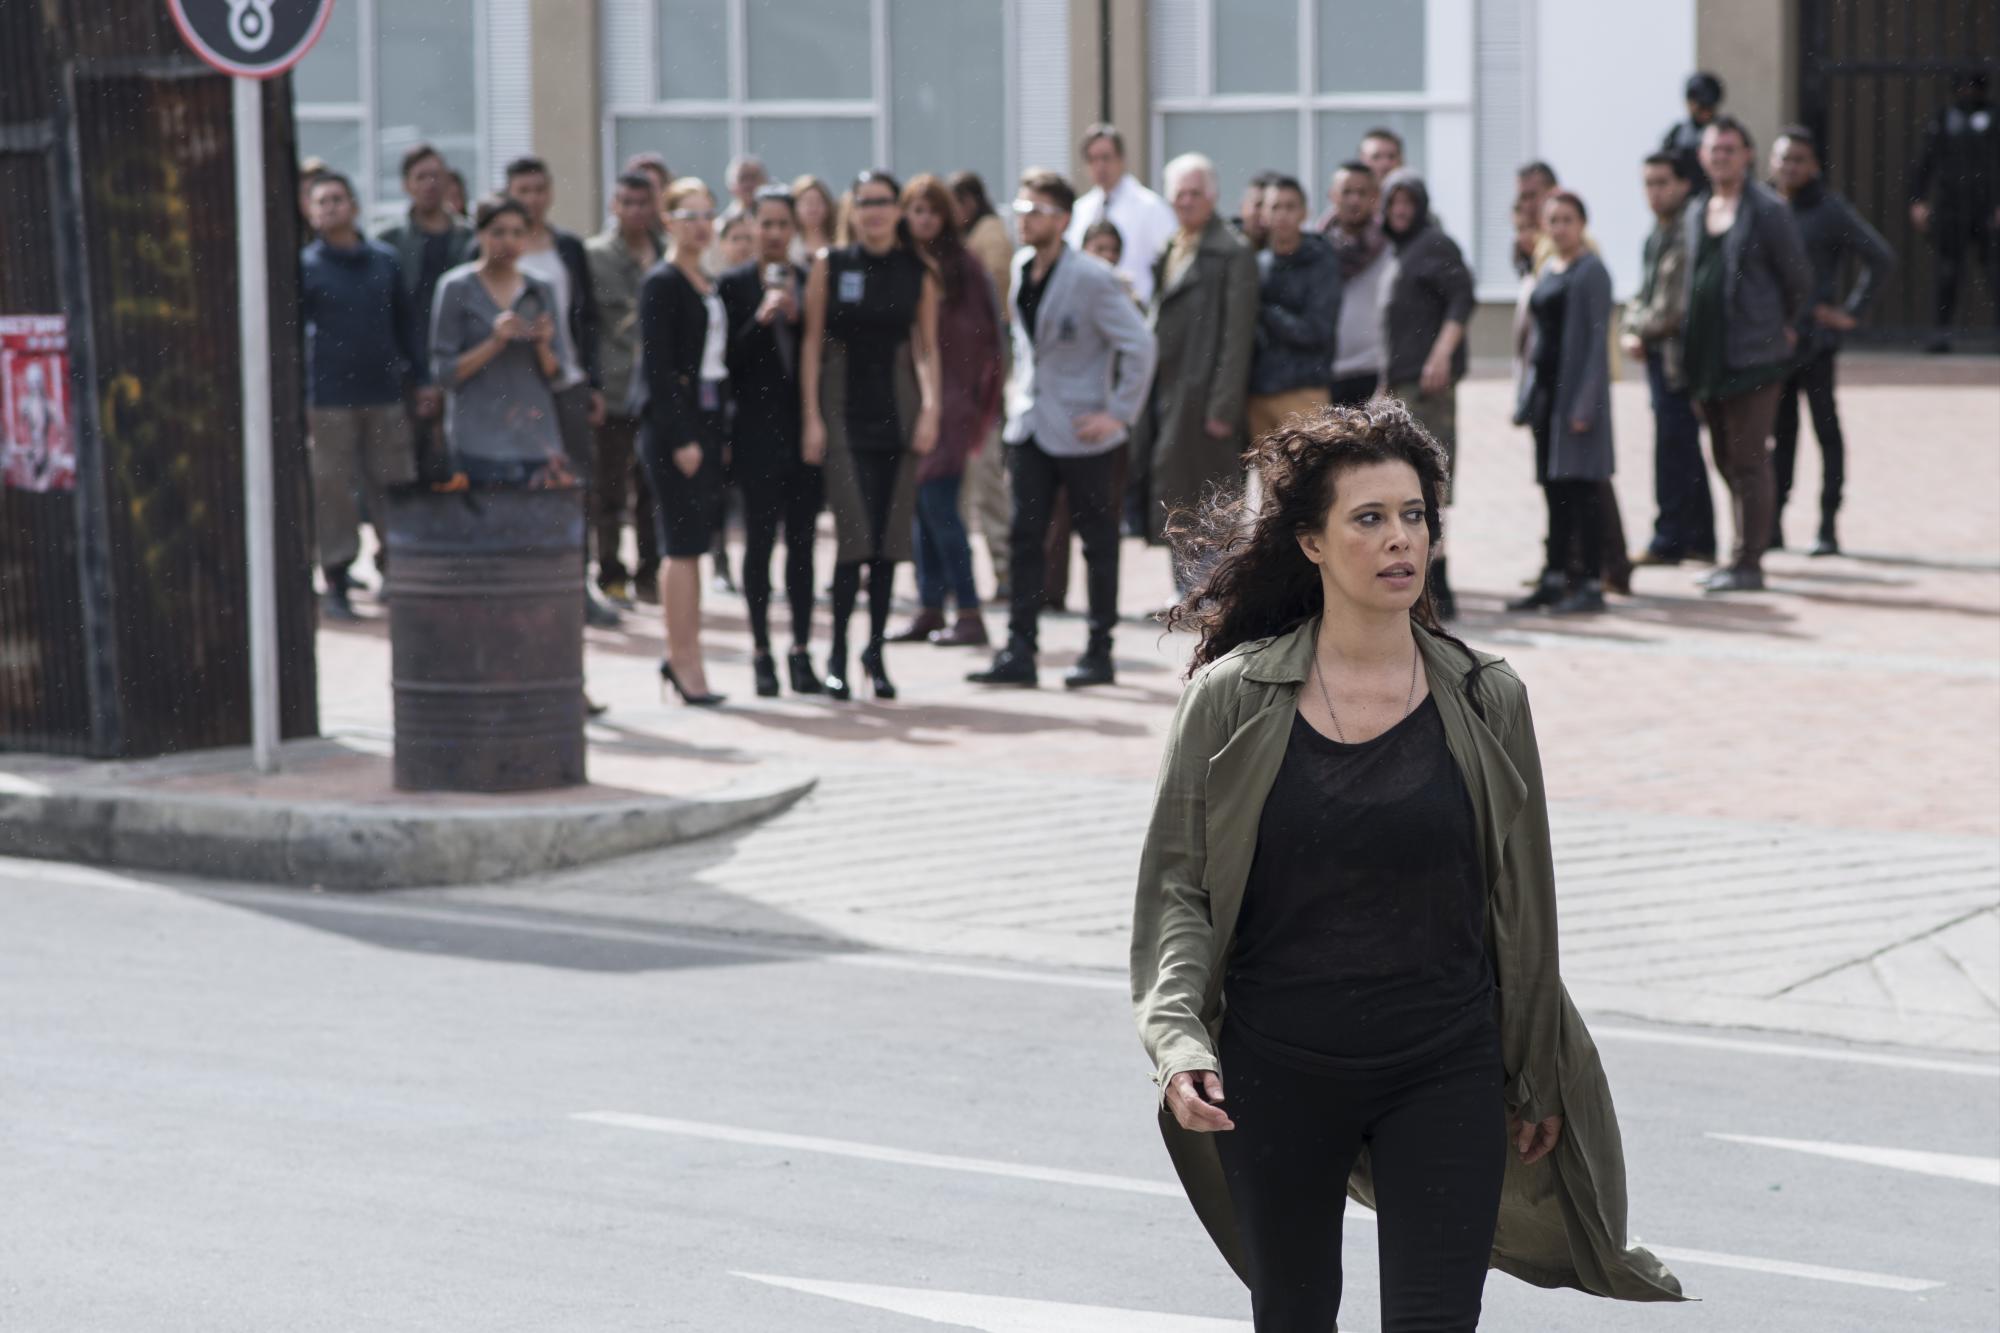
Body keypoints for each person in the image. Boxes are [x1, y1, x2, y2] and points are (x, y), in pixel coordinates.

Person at [1131, 402, 1684, 1329]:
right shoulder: (1233, 698)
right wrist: (1179, 1041)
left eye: (1415, 514)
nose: (1401, 539)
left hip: (1444, 1066)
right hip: (1277, 1070)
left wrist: (1537, 1066)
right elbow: (1178, 889)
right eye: (1369, 517)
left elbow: (1522, 903)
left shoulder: (1486, 696)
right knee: (1295, 1314)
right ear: (1310, 541)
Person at [967, 169, 1156, 689]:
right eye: (1020, 210)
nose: (1024, 221)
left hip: (1084, 430)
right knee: (1025, 537)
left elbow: (1140, 345)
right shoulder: (1021, 266)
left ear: (1063, 219)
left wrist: (1119, 413)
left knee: (1097, 540)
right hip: (1031, 425)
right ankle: (1019, 649)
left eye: (1036, 212)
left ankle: (1099, 649)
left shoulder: (1092, 277)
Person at [800, 169, 943, 702]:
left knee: (887, 544)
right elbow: (811, 343)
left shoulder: (917, 271)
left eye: (883, 201)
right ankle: (837, 653)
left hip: (898, 417)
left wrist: (931, 410)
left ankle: (874, 653)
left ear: (897, 210)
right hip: (842, 415)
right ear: (853, 209)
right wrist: (810, 417)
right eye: (865, 202)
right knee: (853, 540)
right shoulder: (831, 264)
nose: (875, 211)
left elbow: (927, 349)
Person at [1680, 116, 1812, 593]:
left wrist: (1782, 327)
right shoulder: (1697, 210)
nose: (1721, 158)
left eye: (1729, 150)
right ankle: (1737, 552)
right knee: (1723, 457)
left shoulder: (1768, 210)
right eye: (1714, 150)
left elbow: (1797, 279)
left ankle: (1749, 562)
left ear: (1747, 156)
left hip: (1755, 356)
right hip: (1708, 356)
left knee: (1750, 457)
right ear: (1702, 157)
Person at [719, 184, 827, 697]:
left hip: (802, 431)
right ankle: (761, 651)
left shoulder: (809, 280)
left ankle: (801, 649)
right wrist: (759, 319)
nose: (775, 233)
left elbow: (822, 354)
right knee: (759, 543)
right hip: (754, 435)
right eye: (766, 224)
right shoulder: (733, 285)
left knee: (802, 545)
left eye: (784, 224)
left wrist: (798, 317)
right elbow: (724, 362)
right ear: (752, 226)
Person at [1132, 153, 1258, 590]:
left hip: (1205, 397)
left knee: (1211, 497)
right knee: (1176, 493)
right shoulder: (1173, 246)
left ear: (1213, 196)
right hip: (1170, 392)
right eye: (1179, 194)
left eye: (1195, 193)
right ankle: (1187, 593)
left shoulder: (1232, 252)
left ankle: (1213, 594)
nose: (1186, 201)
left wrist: (1223, 406)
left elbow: (1237, 337)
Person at [888, 175, 1004, 649]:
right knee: (921, 509)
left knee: (940, 507)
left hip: (951, 402)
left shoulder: (963, 266)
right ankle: (929, 607)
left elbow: (983, 341)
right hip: (906, 399)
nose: (924, 219)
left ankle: (969, 611)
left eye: (932, 210)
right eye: (916, 210)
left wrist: (964, 401)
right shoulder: (899, 261)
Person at [502, 156, 618, 627]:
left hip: (566, 382)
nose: (532, 199)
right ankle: (526, 586)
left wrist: (592, 382)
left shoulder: (568, 247)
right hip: (515, 390)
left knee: (575, 484)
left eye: (539, 189)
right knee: (520, 486)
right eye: (522, 191)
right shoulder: (496, 247)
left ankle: (577, 583)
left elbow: (587, 319)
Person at [301, 172, 421, 621]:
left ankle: (397, 569)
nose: (331, 207)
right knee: (332, 489)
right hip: (329, 398)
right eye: (322, 202)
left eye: (338, 199)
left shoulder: (385, 261)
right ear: (311, 213)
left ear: (354, 205)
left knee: (392, 481)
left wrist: (422, 378)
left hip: (384, 393)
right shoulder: (306, 267)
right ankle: (337, 575)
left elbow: (406, 324)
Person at [1771, 125, 1895, 557]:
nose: (1790, 167)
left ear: (1814, 166)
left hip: (1816, 342)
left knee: (1826, 431)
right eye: (1784, 159)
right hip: (1774, 343)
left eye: (1799, 160)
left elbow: (1880, 257)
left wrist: (1850, 312)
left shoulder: (1829, 210)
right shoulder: (1764, 206)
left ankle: (1827, 524)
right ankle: (1772, 523)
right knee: (1780, 434)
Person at [637, 178, 731, 706]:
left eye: (707, 215)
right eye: (689, 215)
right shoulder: (662, 282)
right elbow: (658, 368)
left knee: (697, 543)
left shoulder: (707, 281)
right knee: (681, 542)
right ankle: (682, 659)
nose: (701, 225)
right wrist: (681, 436)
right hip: (676, 427)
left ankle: (689, 656)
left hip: (709, 416)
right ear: (668, 221)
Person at [1509, 191, 1616, 615]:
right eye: (1553, 220)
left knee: (1582, 490)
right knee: (1554, 490)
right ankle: (1553, 577)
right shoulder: (1548, 267)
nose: (1559, 228)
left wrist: (1585, 404)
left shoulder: (1592, 271)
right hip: (1546, 395)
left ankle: (1589, 582)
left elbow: (1597, 344)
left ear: (1582, 224)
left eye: (1568, 219)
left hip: (1575, 398)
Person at [1378, 168, 1473, 618]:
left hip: (1428, 386)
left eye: (1407, 202)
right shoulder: (1396, 250)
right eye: (1393, 202)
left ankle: (1439, 585)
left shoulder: (1435, 243)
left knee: (1429, 484)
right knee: (1405, 484)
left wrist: (1441, 355)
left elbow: (1462, 299)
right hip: (1401, 384)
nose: (1400, 210)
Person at [429, 196, 570, 487]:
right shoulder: (456, 287)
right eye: (498, 232)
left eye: (518, 233)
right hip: (478, 440)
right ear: (479, 234)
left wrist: (543, 344)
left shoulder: (540, 288)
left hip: (535, 438)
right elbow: (444, 373)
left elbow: (559, 375)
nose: (509, 242)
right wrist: (494, 342)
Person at [1621, 151, 1717, 570]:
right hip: (1659, 355)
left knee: (1677, 448)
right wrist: (1631, 327)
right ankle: (1696, 539)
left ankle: (1672, 539)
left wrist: (1638, 330)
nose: (1654, 192)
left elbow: (1673, 309)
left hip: (1681, 360)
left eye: (1662, 182)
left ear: (1683, 184)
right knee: (1678, 446)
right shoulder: (1655, 234)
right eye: (1648, 183)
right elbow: (1641, 295)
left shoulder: (1688, 232)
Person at [586, 172, 665, 605]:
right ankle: (610, 571)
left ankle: (650, 572)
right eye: (627, 202)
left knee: (652, 487)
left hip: (656, 388)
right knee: (609, 487)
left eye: (643, 202)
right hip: (614, 387)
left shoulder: (666, 253)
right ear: (614, 206)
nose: (635, 211)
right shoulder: (594, 255)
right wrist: (593, 384)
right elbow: (586, 322)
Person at [376, 144, 473, 484]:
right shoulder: (389, 242)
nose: (430, 184)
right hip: (405, 363)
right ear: (407, 184)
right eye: (421, 177)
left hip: (463, 361)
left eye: (436, 176)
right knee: (404, 461)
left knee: (458, 460)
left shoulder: (470, 238)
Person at [951, 170, 1017, 604]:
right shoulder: (963, 244)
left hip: (980, 388)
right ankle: (961, 578)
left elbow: (994, 321)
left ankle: (1006, 571)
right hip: (956, 388)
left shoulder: (987, 240)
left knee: (986, 481)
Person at [1908, 68, 1999, 352]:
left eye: (1973, 87)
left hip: (1988, 207)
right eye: (1962, 88)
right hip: (1951, 206)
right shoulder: (1945, 118)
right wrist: (1918, 199)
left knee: (1994, 271)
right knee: (1947, 274)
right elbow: (1925, 161)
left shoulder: (1995, 117)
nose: (1967, 93)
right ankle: (1941, 334)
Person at [1247, 175, 1339, 442]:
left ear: (1304, 213)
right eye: (1275, 207)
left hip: (1304, 390)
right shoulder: (1257, 264)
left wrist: (1265, 311)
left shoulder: (1321, 261)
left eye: (1290, 207)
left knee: (1308, 467)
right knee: (1266, 469)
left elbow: (1316, 330)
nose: (1282, 215)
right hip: (1258, 393)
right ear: (1264, 214)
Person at [1066, 123, 1178, 305]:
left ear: (1121, 159)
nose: (1100, 166)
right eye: (1092, 159)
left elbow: (1170, 265)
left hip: (1136, 309)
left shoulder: (1150, 207)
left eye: (1106, 158)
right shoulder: (1080, 210)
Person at [1323, 163, 1389, 407]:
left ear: (1375, 198)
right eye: (1347, 192)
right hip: (1325, 374)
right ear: (1332, 195)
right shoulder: (1315, 247)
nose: (1354, 200)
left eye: (1362, 193)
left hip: (1376, 373)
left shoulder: (1391, 246)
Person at [1661, 71, 1725, 194]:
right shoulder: (1676, 134)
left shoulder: (1728, 134)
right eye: (1701, 107)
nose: (1705, 112)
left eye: (1709, 107)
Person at [789, 175, 838, 268]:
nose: (813, 207)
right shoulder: (788, 249)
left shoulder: (839, 245)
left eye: (818, 201)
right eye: (807, 201)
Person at [1232, 170, 1280, 250]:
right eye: (1259, 205)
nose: (1265, 213)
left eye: (1273, 207)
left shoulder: (1293, 249)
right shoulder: (1222, 244)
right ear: (1242, 206)